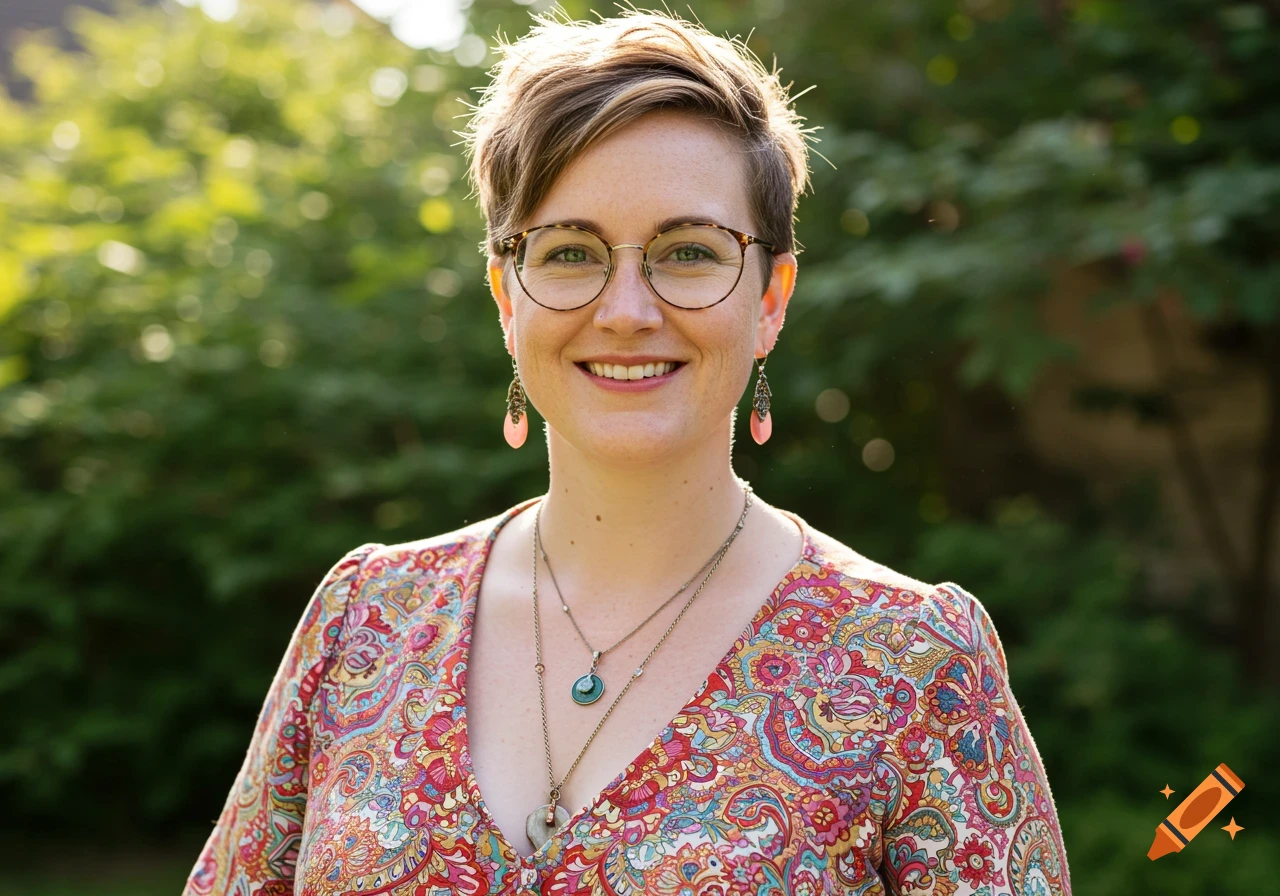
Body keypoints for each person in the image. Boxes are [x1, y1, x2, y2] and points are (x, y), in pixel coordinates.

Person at [183, 8, 1070, 895]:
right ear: (506, 297)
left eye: (689, 252)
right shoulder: (363, 623)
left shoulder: (913, 662)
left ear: (771, 299)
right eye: (570, 252)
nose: (626, 311)